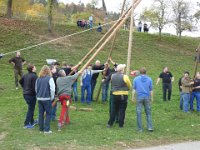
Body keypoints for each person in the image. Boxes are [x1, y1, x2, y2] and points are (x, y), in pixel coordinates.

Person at [35, 65, 55, 134]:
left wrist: (38, 96)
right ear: (48, 71)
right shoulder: (50, 78)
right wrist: (52, 97)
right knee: (48, 114)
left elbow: (36, 89)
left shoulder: (38, 79)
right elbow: (52, 89)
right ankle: (46, 130)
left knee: (40, 114)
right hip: (47, 98)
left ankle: (41, 129)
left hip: (39, 98)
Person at [132, 68, 153, 132]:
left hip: (139, 97)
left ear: (139, 72)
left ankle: (140, 128)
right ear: (146, 72)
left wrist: (133, 97)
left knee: (139, 113)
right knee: (148, 113)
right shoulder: (149, 79)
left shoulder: (136, 79)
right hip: (147, 97)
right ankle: (150, 127)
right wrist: (151, 97)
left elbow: (134, 89)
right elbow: (151, 90)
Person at [19, 64, 37, 129]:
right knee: (31, 109)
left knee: (31, 108)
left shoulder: (25, 75)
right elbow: (35, 86)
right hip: (31, 95)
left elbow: (20, 81)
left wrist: (24, 87)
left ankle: (32, 121)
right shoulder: (34, 76)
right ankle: (26, 124)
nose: (35, 67)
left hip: (25, 94)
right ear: (32, 68)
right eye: (34, 67)